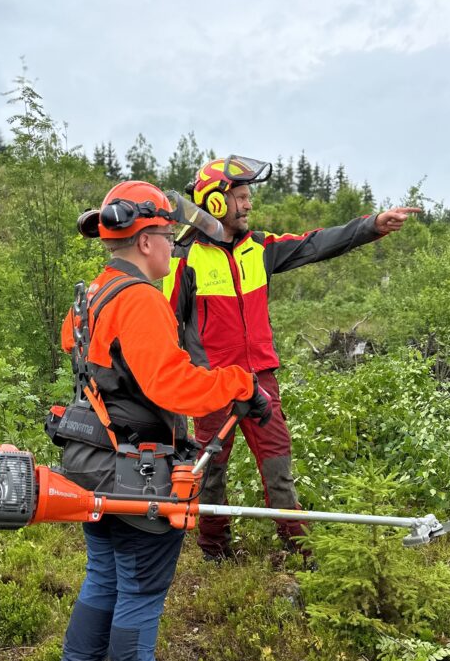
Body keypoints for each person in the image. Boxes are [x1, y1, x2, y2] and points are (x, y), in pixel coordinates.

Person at [58, 180, 271, 661]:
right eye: (170, 241)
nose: (174, 251)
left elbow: (91, 361)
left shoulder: (91, 296)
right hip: (135, 471)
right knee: (142, 590)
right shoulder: (142, 302)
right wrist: (239, 383)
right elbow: (172, 386)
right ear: (149, 240)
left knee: (102, 578)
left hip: (89, 460)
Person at [163, 155, 420, 562]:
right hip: (212, 385)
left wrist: (370, 226)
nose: (248, 205)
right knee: (210, 471)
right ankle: (215, 550)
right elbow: (163, 327)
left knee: (278, 464)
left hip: (261, 380)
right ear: (214, 202)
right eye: (242, 197)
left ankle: (299, 548)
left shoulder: (259, 248)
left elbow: (314, 243)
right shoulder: (183, 258)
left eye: (248, 197)